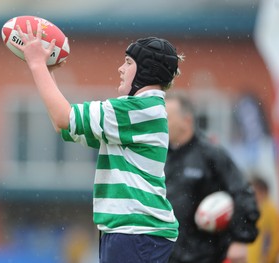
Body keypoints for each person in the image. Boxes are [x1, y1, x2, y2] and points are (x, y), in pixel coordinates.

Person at [11, 20, 182, 262]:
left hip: (135, 231)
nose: (120, 69)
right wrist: (48, 70)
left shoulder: (137, 109)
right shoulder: (140, 111)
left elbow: (63, 117)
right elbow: (64, 126)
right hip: (131, 231)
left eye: (128, 62)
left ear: (146, 71)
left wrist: (37, 63)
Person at [164, 91, 260, 263]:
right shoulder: (161, 156)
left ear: (187, 121)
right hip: (168, 255)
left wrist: (240, 238)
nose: (161, 124)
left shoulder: (212, 155)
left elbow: (243, 193)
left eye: (167, 118)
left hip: (205, 256)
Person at [247, 175, 279, 263]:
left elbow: (273, 239)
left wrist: (267, 259)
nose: (251, 195)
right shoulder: (258, 210)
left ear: (263, 192)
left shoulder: (270, 211)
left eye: (254, 192)